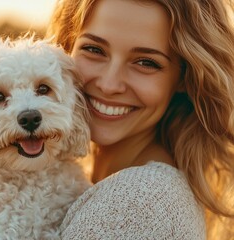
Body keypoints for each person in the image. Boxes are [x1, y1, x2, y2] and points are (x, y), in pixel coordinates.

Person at [47, 0, 234, 238]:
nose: (109, 84)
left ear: (185, 78)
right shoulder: (87, 183)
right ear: (65, 48)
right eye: (94, 50)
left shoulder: (138, 200)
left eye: (146, 63)